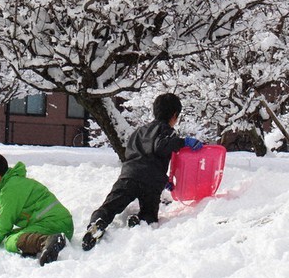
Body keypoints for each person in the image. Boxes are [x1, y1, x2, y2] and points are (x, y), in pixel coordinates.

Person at [81, 92, 203, 251]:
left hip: (128, 177)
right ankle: (139, 222)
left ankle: (98, 222)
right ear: (174, 116)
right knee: (150, 214)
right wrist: (183, 142)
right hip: (150, 184)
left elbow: (136, 156)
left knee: (111, 205)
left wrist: (163, 179)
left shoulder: (139, 132)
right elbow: (160, 147)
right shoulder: (167, 130)